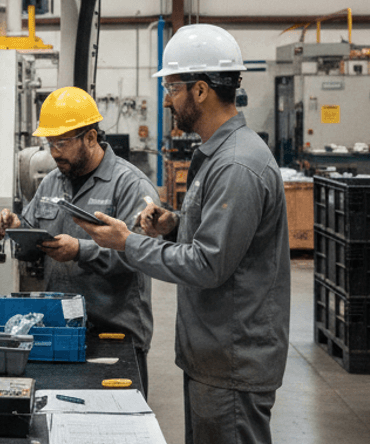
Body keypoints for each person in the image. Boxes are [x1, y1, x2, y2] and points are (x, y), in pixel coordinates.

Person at [77, 24, 290, 444]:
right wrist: (173, 227)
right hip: (214, 352)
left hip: (232, 358)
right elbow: (219, 240)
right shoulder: (217, 156)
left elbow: (209, 264)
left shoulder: (236, 166)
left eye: (173, 87)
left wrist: (127, 242)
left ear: (200, 90)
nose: (166, 98)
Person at [0, 86, 156, 394]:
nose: (53, 152)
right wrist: (15, 228)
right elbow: (32, 244)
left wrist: (81, 250)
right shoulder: (52, 181)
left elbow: (144, 254)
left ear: (90, 138)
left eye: (62, 143)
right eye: (49, 143)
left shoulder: (129, 184)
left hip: (114, 334)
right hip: (61, 331)